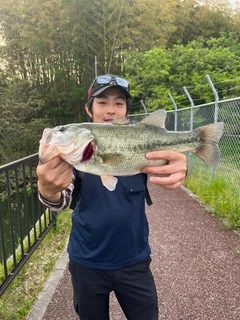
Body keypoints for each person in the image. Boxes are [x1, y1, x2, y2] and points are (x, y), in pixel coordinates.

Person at [37, 74, 187, 320]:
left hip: (135, 259)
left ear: (127, 110)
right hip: (86, 261)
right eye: (102, 102)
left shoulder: (139, 139)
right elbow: (60, 200)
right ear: (89, 110)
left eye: (119, 103)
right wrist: (47, 188)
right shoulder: (73, 156)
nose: (111, 110)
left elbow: (168, 162)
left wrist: (182, 169)